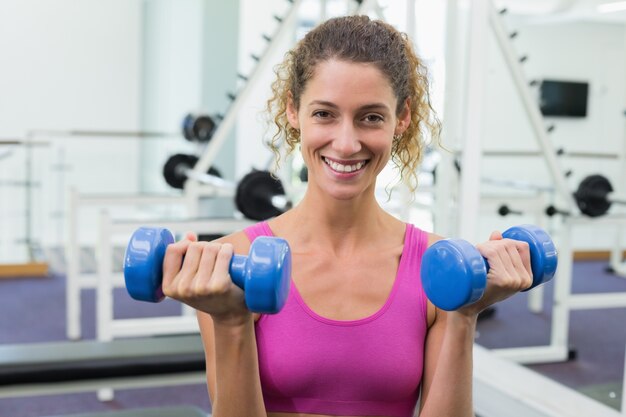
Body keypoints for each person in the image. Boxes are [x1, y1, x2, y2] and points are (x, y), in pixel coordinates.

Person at [161, 15, 533, 417]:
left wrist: (463, 316)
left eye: (371, 117)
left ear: (401, 119)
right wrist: (232, 322)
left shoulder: (437, 269)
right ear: (292, 110)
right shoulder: (232, 266)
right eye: (324, 114)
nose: (346, 142)